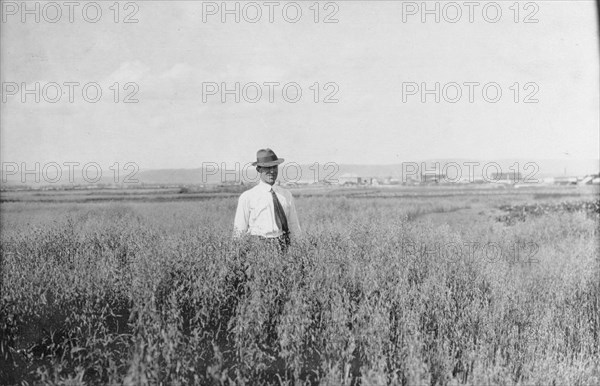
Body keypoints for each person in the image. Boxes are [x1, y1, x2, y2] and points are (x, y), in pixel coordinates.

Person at [233, 148, 301, 251]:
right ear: (258, 169)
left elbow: (294, 225)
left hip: (283, 246)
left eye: (274, 167)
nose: (272, 171)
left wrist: (300, 249)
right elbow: (239, 230)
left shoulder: (286, 195)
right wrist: (237, 255)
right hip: (258, 248)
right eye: (267, 168)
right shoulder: (247, 197)